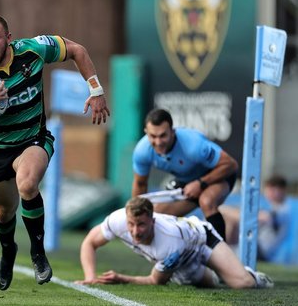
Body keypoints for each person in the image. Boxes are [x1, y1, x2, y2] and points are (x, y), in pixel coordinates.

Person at [0, 15, 110, 291]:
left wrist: (96, 89)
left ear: (8, 38)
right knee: (4, 212)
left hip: (34, 139)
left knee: (27, 183)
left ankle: (38, 254)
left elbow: (77, 50)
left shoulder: (34, 50)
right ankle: (8, 252)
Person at [76, 197, 274, 288]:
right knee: (213, 282)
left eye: (142, 225)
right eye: (131, 224)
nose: (135, 231)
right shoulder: (116, 220)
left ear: (153, 221)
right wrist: (91, 276)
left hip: (202, 240)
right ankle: (222, 272)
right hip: (183, 259)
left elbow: (156, 281)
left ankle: (250, 275)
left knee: (243, 284)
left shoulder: (169, 242)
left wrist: (122, 278)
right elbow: (89, 243)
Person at [132, 108, 238, 240]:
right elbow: (140, 184)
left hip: (217, 176)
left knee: (206, 201)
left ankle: (220, 255)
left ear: (172, 132)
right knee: (157, 214)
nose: (158, 142)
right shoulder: (142, 151)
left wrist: (201, 183)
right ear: (146, 133)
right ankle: (173, 257)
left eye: (163, 135)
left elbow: (231, 165)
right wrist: (135, 215)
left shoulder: (193, 145)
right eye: (153, 136)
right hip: (187, 180)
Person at [220, 174, 294, 262]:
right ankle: (221, 250)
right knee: (227, 219)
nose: (269, 192)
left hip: (260, 251)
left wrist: (221, 209)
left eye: (273, 189)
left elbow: (252, 218)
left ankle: (221, 251)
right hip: (256, 246)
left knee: (230, 218)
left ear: (281, 190)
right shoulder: (274, 207)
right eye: (269, 188)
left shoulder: (282, 209)